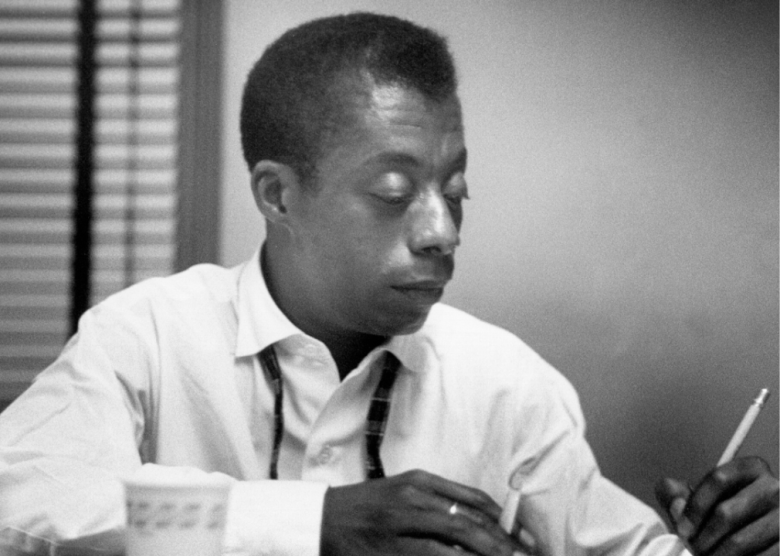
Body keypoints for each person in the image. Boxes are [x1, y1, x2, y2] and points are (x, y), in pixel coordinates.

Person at [0, 12, 777, 556]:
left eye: (457, 189)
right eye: (395, 193)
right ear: (277, 195)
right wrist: (310, 527)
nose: (442, 230)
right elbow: (23, 504)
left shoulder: (503, 386)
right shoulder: (151, 338)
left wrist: (729, 539)